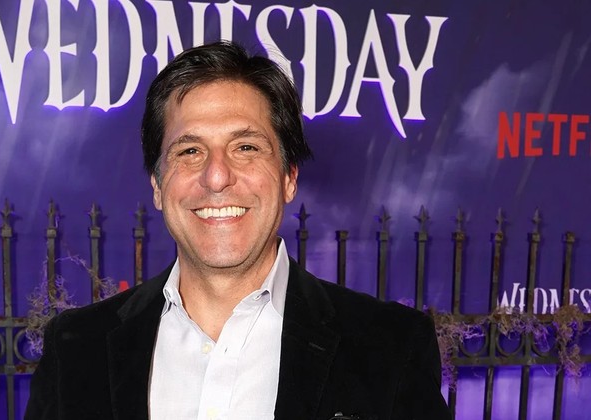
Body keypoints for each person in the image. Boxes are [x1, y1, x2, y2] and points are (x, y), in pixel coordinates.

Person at [25, 41, 450, 420]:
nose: (216, 177)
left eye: (245, 147)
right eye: (190, 151)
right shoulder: (75, 350)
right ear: (157, 185)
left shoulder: (391, 348)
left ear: (288, 177)